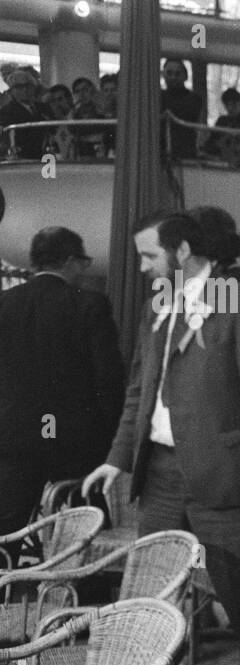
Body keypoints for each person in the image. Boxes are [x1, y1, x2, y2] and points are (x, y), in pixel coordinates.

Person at [82, 211, 240, 665]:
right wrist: (118, 457)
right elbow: (139, 391)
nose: (145, 268)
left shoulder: (238, 295)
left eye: (151, 256)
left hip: (226, 477)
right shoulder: (159, 305)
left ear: (181, 251)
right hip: (163, 474)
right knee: (153, 596)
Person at [0, 228, 123, 554]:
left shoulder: (5, 303)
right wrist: (109, 439)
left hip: (13, 440)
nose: (83, 269)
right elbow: (108, 381)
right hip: (76, 443)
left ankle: (6, 596)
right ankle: (86, 598)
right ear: (69, 261)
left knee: (5, 535)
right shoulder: (90, 305)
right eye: (82, 261)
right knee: (86, 535)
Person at [0, 68, 52, 159]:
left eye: (28, 85)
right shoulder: (6, 111)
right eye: (19, 87)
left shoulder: (43, 107)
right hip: (22, 157)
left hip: (45, 156)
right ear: (11, 90)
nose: (25, 90)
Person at [160, 59, 204, 160]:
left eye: (177, 74)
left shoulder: (194, 99)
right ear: (163, 75)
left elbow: (187, 115)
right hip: (159, 152)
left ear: (185, 76)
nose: (173, 77)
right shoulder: (157, 97)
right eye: (169, 73)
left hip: (185, 154)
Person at [204, 88, 240, 161]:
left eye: (233, 104)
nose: (230, 108)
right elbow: (211, 142)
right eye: (227, 105)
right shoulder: (221, 121)